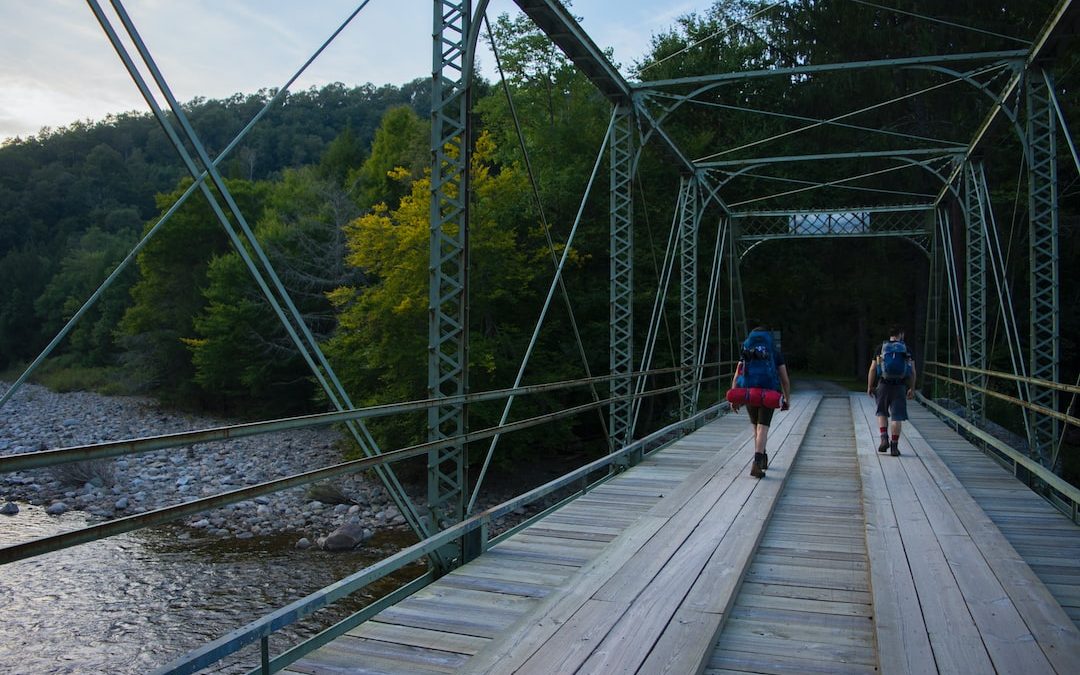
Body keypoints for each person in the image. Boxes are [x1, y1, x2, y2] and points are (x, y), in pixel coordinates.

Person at [729, 325, 792, 478]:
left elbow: (737, 375)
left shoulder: (747, 350)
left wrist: (734, 397)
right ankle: (757, 462)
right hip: (769, 393)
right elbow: (785, 379)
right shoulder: (773, 352)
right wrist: (786, 399)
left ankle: (762, 457)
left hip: (749, 393)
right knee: (763, 428)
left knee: (756, 427)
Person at [867, 325, 916, 457]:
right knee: (897, 417)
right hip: (899, 387)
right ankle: (894, 447)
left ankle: (884, 438)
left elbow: (872, 369)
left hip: (883, 384)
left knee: (882, 412)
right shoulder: (907, 349)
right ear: (901, 334)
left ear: (890, 334)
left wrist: (870, 386)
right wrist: (911, 388)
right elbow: (912, 372)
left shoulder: (880, 348)